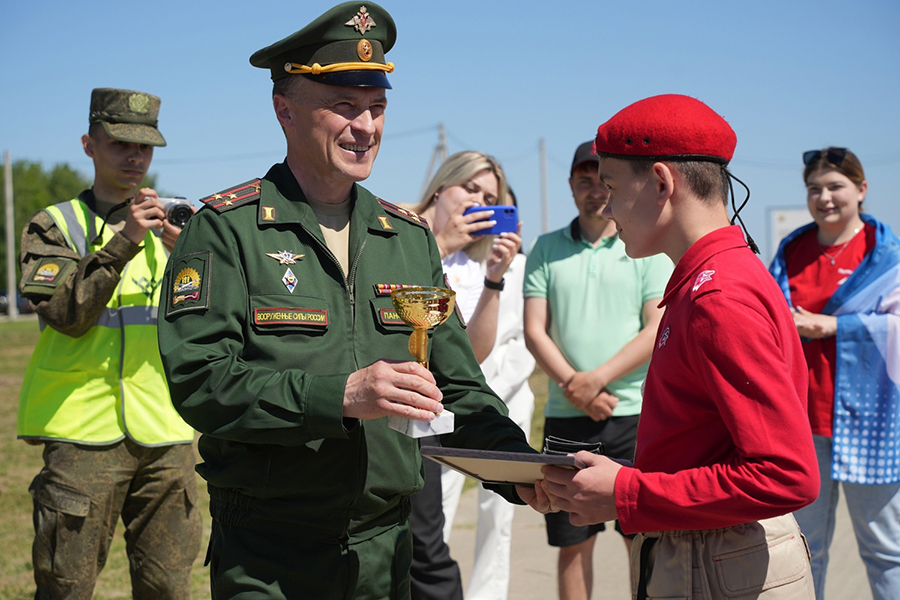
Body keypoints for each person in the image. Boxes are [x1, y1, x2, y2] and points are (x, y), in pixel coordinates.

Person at [155, 4, 534, 599]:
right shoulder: (226, 231)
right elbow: (201, 382)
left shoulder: (407, 240)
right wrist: (342, 397)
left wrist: (526, 472)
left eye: (377, 108)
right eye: (345, 106)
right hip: (269, 554)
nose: (367, 127)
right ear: (285, 109)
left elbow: (461, 384)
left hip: (385, 553)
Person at [520, 94, 821, 600]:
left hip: (720, 563)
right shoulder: (715, 276)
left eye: (612, 186)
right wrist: (612, 485)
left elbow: (786, 475)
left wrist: (626, 492)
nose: (608, 205)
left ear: (661, 183)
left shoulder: (717, 297)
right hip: (712, 553)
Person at [17, 88, 201, 599]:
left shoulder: (175, 229)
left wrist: (191, 258)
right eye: (120, 143)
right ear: (88, 144)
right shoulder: (53, 227)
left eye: (145, 147)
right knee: (65, 588)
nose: (134, 156)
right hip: (80, 435)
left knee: (168, 588)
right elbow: (67, 316)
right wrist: (123, 241)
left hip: (165, 433)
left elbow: (208, 326)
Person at [522, 141, 671, 600]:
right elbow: (534, 331)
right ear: (570, 186)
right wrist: (576, 386)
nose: (594, 190)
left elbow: (655, 328)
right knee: (573, 543)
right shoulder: (546, 248)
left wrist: (596, 380)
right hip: (567, 419)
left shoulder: (642, 248)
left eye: (602, 180)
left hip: (634, 416)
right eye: (583, 180)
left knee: (644, 542)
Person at [769, 147, 900, 600]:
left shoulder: (887, 255)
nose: (824, 197)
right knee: (805, 547)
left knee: (885, 550)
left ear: (861, 190)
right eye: (814, 189)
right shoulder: (791, 250)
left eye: (835, 186)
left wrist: (834, 327)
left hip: (873, 424)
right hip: (802, 421)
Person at [404, 152, 535, 600]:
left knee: (425, 544)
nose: (478, 202)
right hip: (376, 408)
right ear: (442, 186)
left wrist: (495, 280)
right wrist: (436, 245)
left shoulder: (474, 260)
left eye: (490, 198)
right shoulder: (394, 226)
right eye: (471, 189)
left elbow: (469, 355)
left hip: (430, 414)